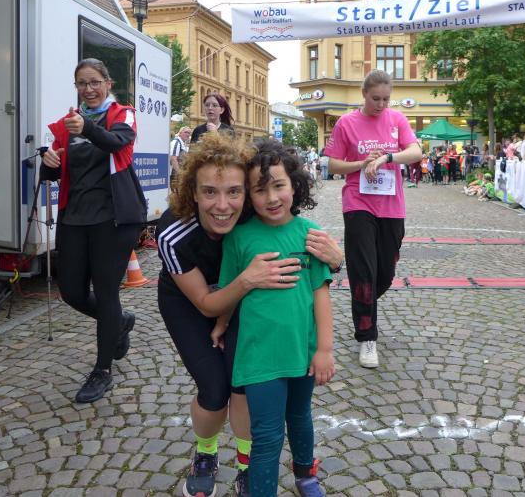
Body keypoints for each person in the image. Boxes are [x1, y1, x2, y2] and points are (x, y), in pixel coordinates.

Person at [157, 134, 344, 497]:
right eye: (209, 192)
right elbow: (207, 303)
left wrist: (337, 260)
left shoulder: (253, 203)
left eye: (234, 192)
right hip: (192, 300)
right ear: (193, 193)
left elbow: (299, 243)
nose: (222, 204)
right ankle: (206, 452)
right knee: (214, 389)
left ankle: (247, 465)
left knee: (244, 386)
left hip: (246, 298)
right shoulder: (173, 233)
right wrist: (246, 281)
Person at [217, 141, 335, 496]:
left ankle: (306, 475)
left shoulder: (310, 235)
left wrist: (325, 349)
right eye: (260, 189)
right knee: (267, 435)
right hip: (259, 357)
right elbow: (230, 288)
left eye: (278, 186)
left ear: (295, 185)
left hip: (302, 352)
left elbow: (320, 295)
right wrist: (221, 324)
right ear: (248, 195)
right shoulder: (238, 237)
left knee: (300, 418)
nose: (271, 198)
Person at [40, 58, 147, 403]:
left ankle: (102, 370)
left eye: (94, 82)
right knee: (71, 291)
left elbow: (117, 143)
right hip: (74, 216)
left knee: (106, 291)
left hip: (113, 218)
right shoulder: (67, 124)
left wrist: (85, 127)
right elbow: (55, 172)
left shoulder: (121, 114)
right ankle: (119, 321)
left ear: (107, 83)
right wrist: (48, 162)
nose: (88, 89)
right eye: (82, 83)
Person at [325, 69, 422, 368]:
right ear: (364, 94)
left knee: (384, 274)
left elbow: (416, 152)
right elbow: (333, 165)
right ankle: (367, 337)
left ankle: (363, 300)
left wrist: (387, 158)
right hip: (358, 202)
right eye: (375, 98)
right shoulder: (346, 123)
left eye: (385, 99)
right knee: (364, 271)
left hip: (391, 206)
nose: (381, 104)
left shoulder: (397, 120)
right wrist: (361, 163)